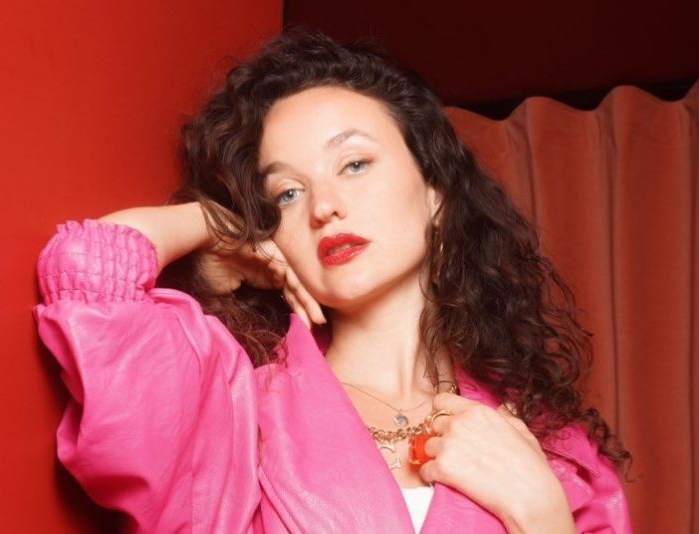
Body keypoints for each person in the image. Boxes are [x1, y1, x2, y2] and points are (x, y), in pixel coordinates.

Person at [34, 27, 633, 533]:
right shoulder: (236, 411)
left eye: (355, 163)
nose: (324, 206)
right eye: (287, 193)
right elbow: (88, 272)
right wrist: (213, 224)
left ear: (435, 192)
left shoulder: (551, 448)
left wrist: (542, 515)